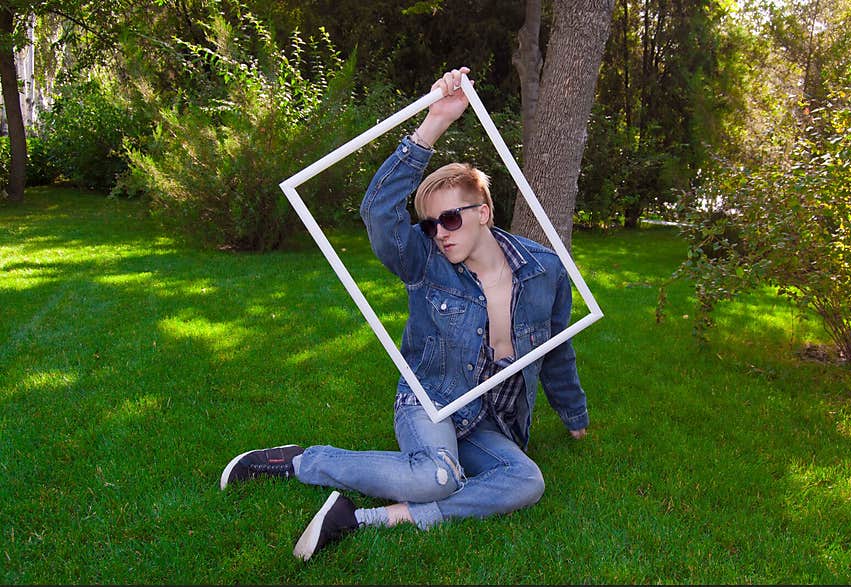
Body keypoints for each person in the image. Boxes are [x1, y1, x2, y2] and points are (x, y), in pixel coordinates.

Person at [220, 67, 589, 561]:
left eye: (452, 218)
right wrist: (434, 122)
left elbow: (556, 345)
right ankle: (302, 462)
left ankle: (363, 519)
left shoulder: (544, 270)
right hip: (429, 399)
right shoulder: (425, 261)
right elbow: (379, 214)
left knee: (527, 479)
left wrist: (573, 414)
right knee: (436, 476)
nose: (441, 232)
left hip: (491, 423)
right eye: (431, 223)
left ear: (484, 211)